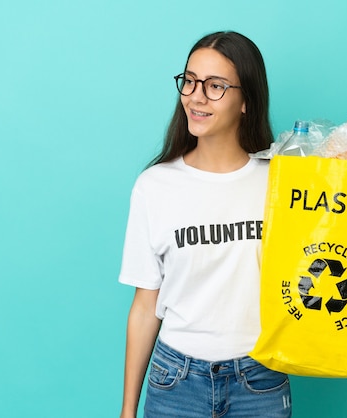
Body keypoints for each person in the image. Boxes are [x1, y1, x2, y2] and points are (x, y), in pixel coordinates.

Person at [118, 31, 292, 418]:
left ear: (246, 100)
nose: (196, 96)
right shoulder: (154, 186)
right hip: (175, 381)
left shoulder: (282, 182)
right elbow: (146, 307)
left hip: (259, 380)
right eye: (190, 81)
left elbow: (324, 259)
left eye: (215, 86)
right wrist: (128, 409)